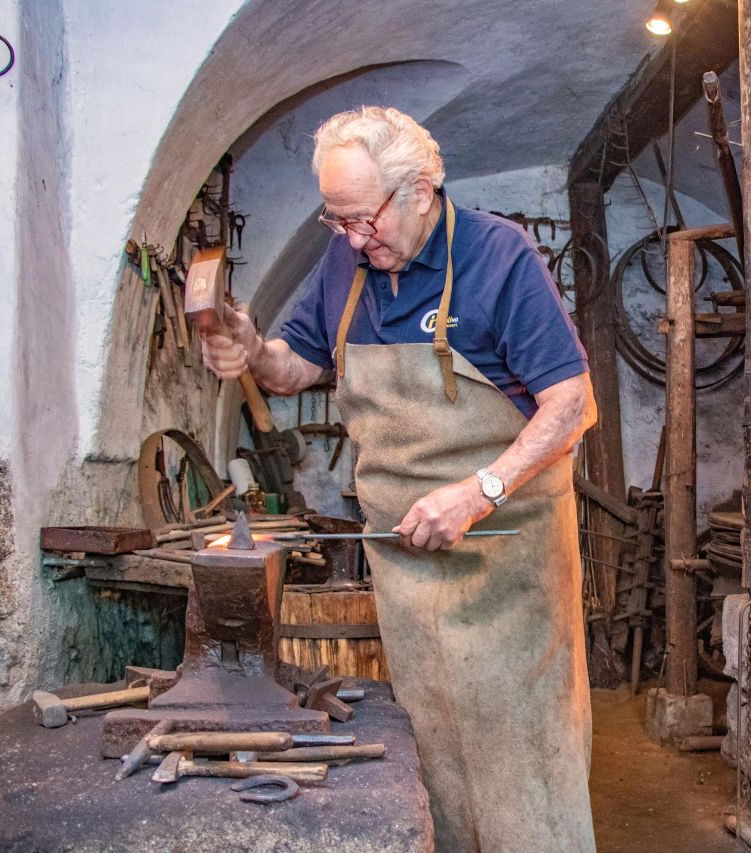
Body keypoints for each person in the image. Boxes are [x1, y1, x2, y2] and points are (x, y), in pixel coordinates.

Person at [202, 106, 597, 852]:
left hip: (507, 561)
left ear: (420, 189)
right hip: (407, 562)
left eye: (364, 218)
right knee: (434, 750)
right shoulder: (348, 262)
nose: (353, 238)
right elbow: (299, 367)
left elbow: (572, 403)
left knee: (521, 753)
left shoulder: (497, 257)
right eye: (336, 220)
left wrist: (479, 490)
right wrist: (254, 349)